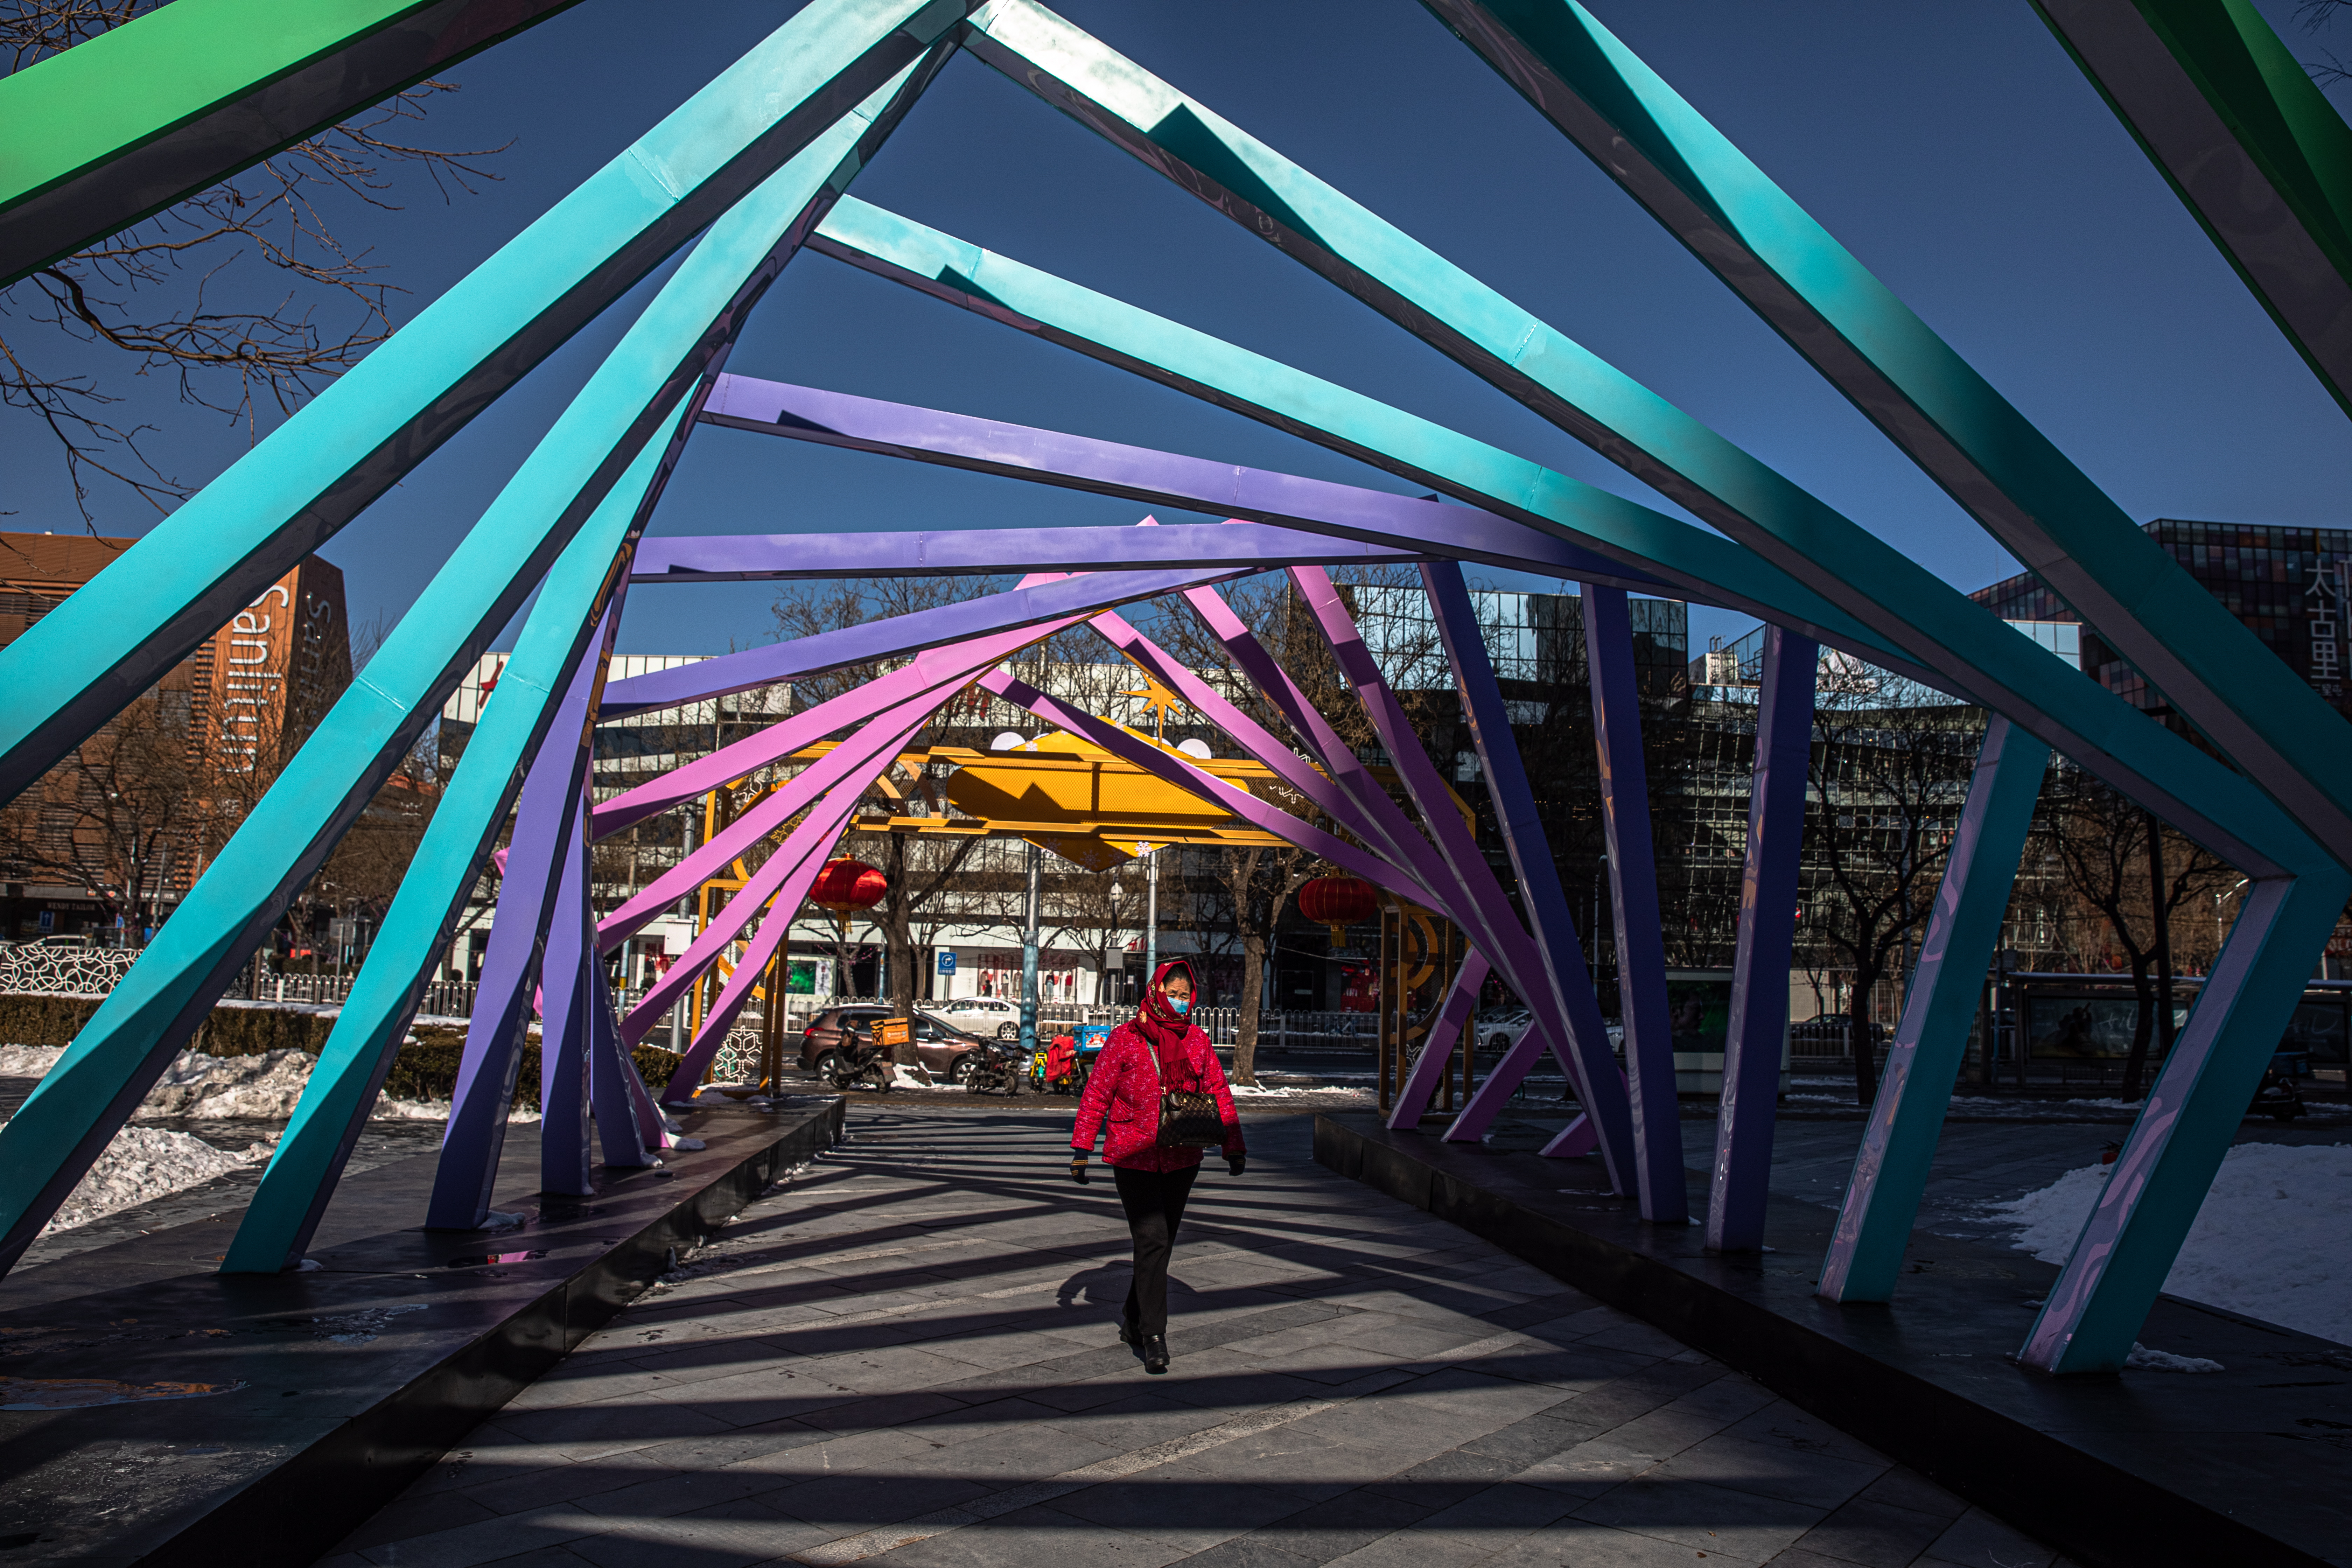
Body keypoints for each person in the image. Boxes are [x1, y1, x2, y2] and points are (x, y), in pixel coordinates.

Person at [1069, 959, 1244, 1374]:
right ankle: (1154, 1335)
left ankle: (1133, 1319)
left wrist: (1234, 1146)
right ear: (1155, 992)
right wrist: (1082, 1147)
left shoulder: (1197, 1041)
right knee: (1153, 1239)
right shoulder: (1125, 1040)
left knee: (1159, 1244)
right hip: (1133, 1155)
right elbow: (1097, 1094)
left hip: (1183, 1154)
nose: (1180, 1002)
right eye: (1173, 993)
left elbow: (1219, 1093)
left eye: (1186, 995)